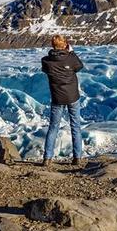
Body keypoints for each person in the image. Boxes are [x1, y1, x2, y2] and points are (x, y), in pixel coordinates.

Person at [41, 34, 84, 167]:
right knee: (75, 126)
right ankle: (77, 158)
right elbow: (79, 66)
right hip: (72, 97)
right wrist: (71, 52)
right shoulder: (71, 58)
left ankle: (47, 158)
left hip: (57, 97)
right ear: (65, 44)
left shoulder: (46, 61)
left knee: (53, 127)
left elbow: (46, 68)